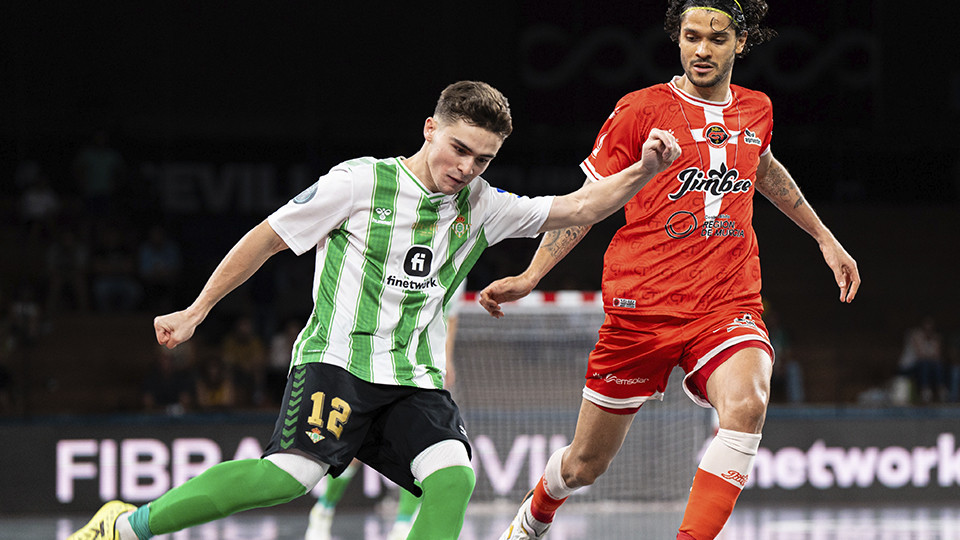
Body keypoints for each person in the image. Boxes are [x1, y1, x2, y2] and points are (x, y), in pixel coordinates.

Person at [67, 79, 681, 540]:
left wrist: (646, 170)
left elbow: (578, 207)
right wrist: (198, 309)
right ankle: (127, 526)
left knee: (453, 477)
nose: (466, 168)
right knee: (287, 479)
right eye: (459, 149)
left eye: (483, 159)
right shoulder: (358, 182)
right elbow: (267, 236)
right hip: (337, 362)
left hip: (413, 379)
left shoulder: (484, 205)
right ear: (429, 130)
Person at [483, 3, 861, 539]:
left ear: (741, 43)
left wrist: (824, 237)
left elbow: (764, 167)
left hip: (725, 305)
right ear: (677, 41)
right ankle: (534, 515)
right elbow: (589, 203)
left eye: (716, 38)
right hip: (642, 312)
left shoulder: (757, 109)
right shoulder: (640, 110)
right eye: (690, 37)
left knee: (749, 403)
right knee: (584, 466)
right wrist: (531, 274)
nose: (701, 50)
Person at [304, 284, 467, 540]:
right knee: (354, 450)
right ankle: (323, 509)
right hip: (377, 362)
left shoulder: (460, 253)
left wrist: (446, 358)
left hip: (420, 370)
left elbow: (451, 313)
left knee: (422, 448)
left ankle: (402, 525)